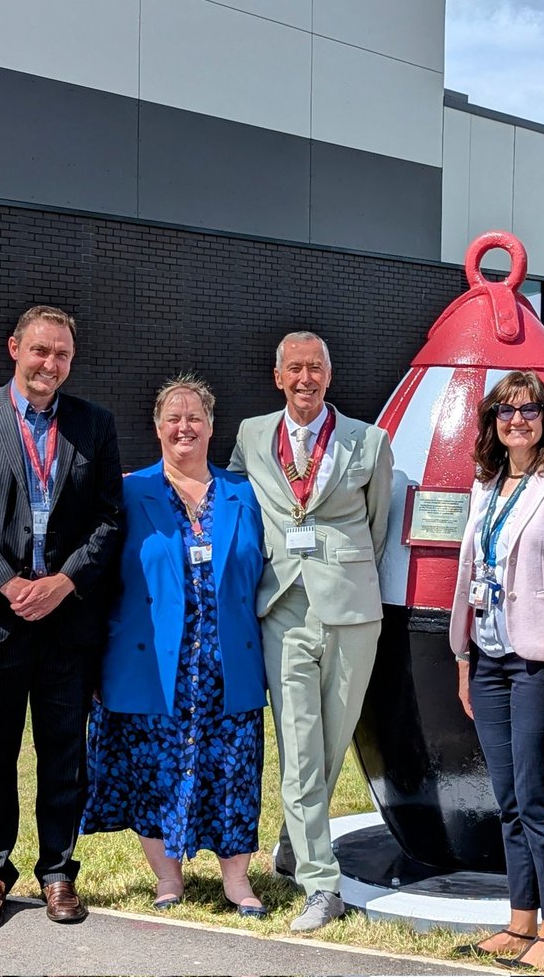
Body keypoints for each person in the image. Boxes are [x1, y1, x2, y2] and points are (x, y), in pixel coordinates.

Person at [0, 305, 123, 929]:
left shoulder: (94, 425)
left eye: (62, 354)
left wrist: (63, 583)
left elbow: (109, 520)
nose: (51, 364)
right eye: (40, 350)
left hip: (66, 623)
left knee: (65, 756)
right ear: (15, 347)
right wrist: (12, 585)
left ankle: (59, 873)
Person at [81, 376, 269, 916]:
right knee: (154, 771)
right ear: (158, 427)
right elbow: (102, 578)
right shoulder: (129, 491)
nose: (184, 427)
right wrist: (95, 660)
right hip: (149, 665)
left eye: (195, 417)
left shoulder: (243, 493)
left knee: (233, 770)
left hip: (226, 663)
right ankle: (168, 878)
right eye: (173, 418)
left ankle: (237, 882)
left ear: (212, 426)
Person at [228, 331, 392, 931]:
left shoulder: (368, 442)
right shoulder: (250, 436)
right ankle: (323, 884)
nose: (305, 379)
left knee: (328, 745)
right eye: (294, 369)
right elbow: (241, 510)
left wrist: (341, 571)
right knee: (298, 749)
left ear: (330, 374)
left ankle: (295, 843)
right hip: (281, 609)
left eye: (315, 368)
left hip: (351, 611)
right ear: (278, 377)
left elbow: (377, 528)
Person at [449, 370, 544, 971]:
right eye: (506, 412)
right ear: (491, 422)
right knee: (508, 798)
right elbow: (470, 575)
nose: (518, 420)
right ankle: (519, 921)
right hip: (488, 656)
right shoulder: (485, 484)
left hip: (541, 663)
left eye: (530, 410)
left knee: (539, 797)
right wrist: (463, 657)